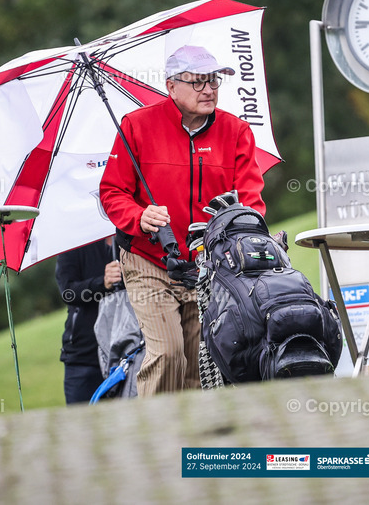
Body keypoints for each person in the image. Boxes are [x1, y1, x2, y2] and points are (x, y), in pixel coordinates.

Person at [98, 45, 266, 396]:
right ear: (171, 86)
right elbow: (112, 192)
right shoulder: (136, 126)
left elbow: (250, 202)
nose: (208, 90)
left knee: (198, 364)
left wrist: (242, 237)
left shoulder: (236, 131)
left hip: (209, 266)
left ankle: (189, 431)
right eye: (198, 82)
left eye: (213, 80)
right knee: (168, 353)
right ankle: (155, 429)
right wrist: (140, 215)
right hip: (148, 259)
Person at [54, 236, 123, 404]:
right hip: (84, 358)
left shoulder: (129, 239)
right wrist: (103, 283)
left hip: (127, 353)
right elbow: (68, 292)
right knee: (81, 419)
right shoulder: (72, 242)